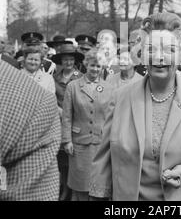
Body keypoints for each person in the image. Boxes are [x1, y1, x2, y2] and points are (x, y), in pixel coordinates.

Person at [89, 12, 181, 201]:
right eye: (151, 49)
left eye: (169, 50)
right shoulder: (120, 99)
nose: (159, 57)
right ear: (141, 54)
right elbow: (104, 159)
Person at [0, 60, 61, 200]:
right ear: (23, 61)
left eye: (36, 59)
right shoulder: (27, 91)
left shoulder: (42, 86)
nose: (33, 62)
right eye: (30, 59)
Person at [61, 48, 113, 201]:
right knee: (80, 186)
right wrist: (67, 140)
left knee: (99, 187)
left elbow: (111, 116)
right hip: (79, 144)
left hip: (101, 144)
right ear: (85, 65)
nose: (95, 69)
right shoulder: (73, 86)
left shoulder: (109, 88)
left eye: (98, 66)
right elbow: (66, 116)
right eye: (92, 65)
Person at [52, 43, 84, 201]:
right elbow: (51, 97)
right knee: (62, 161)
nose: (68, 63)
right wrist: (59, 110)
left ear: (74, 61)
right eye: (65, 60)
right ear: (61, 61)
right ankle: (64, 189)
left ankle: (74, 191)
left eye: (71, 59)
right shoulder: (55, 77)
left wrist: (70, 113)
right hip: (58, 123)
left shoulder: (81, 77)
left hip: (76, 124)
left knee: (75, 160)